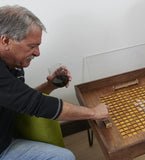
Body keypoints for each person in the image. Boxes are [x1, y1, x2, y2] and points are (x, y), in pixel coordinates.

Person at [0, 5, 109, 160]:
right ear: (6, 41)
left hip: (6, 139)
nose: (37, 53)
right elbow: (36, 104)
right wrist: (93, 112)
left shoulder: (14, 63)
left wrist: (50, 86)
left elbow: (21, 100)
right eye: (32, 46)